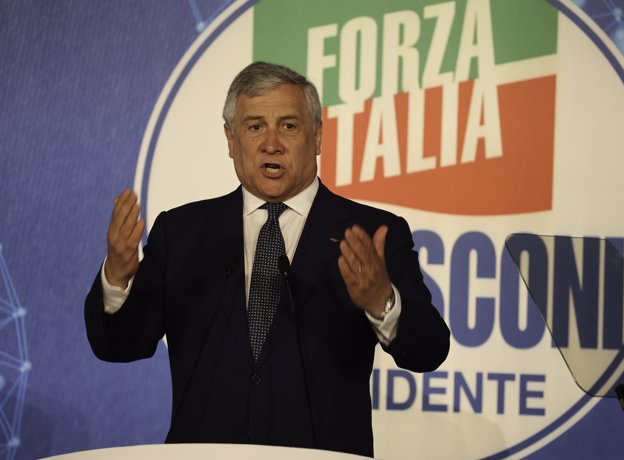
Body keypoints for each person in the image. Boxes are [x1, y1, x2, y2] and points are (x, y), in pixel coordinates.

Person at [85, 61, 450, 457]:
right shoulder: (182, 232)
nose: (270, 143)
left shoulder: (371, 233)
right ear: (230, 139)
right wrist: (118, 279)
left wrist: (384, 302)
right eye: (254, 126)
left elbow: (429, 351)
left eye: (289, 126)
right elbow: (120, 346)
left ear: (318, 137)